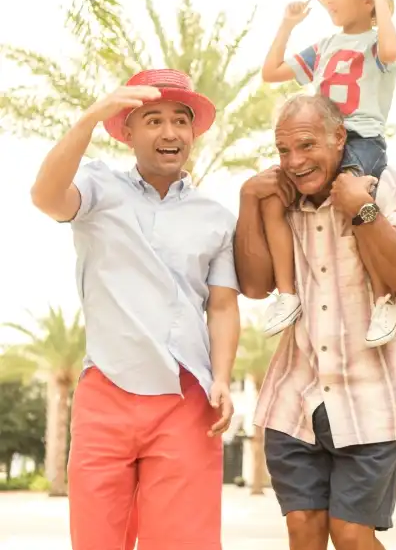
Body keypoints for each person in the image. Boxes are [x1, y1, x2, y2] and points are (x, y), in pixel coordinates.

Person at [29, 69, 240, 550]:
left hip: (188, 401)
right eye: (153, 120)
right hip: (106, 390)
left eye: (180, 121)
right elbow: (45, 198)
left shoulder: (217, 219)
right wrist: (87, 119)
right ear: (126, 131)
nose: (170, 132)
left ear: (193, 132)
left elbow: (223, 307)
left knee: (184, 543)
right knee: (97, 541)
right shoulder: (98, 189)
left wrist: (223, 376)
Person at [235, 94, 396, 550]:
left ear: (339, 138)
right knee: (303, 530)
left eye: (307, 145)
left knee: (351, 536)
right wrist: (249, 198)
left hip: (374, 396)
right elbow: (254, 285)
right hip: (297, 397)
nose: (294, 161)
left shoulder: (389, 186)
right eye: (283, 150)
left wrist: (359, 208)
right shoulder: (282, 204)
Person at [258, 0, 396, 345]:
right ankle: (287, 295)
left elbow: (391, 51)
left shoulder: (377, 43)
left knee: (354, 199)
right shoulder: (324, 47)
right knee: (272, 196)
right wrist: (287, 25)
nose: (328, 1)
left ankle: (384, 299)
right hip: (320, 144)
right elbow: (271, 72)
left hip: (359, 141)